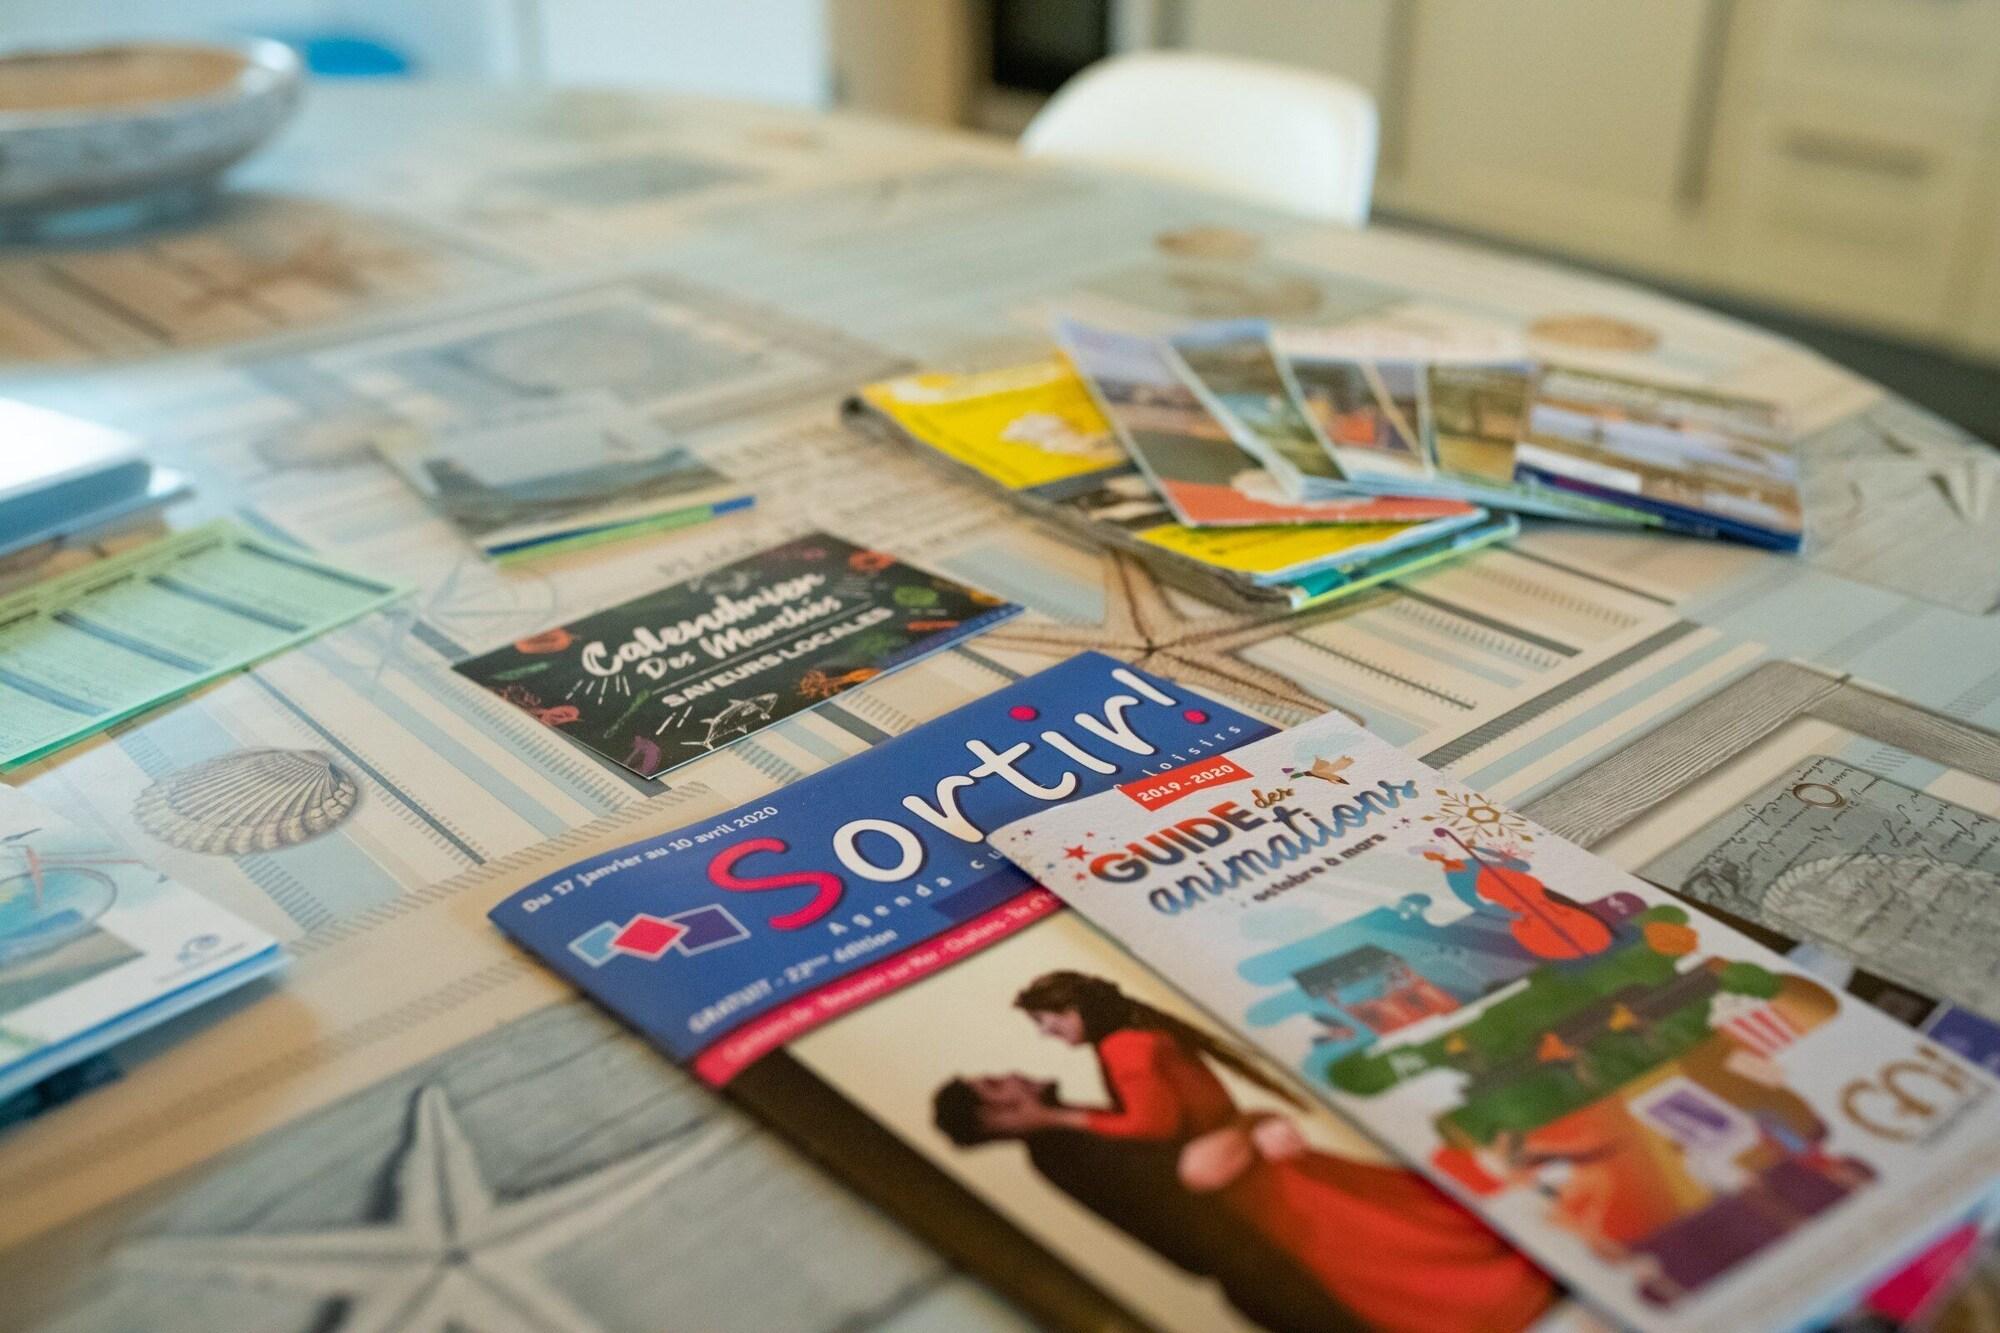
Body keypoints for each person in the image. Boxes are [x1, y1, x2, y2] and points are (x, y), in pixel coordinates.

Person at [983, 971, 1558, 1333]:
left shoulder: (1125, 1050)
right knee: (1396, 1240)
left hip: (1263, 1187)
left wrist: (1058, 1115)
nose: (1046, 1035)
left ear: (1072, 1011)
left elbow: (1154, 1128)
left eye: (1045, 1021)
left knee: (1386, 1258)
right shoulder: (1132, 1044)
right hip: (1258, 1174)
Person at [934, 1074, 1366, 1333]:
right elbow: (1197, 1170)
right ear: (994, 1118)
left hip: (1266, 1271)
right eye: (994, 1084)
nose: (1010, 1074)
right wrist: (1249, 1121)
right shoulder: (1065, 1148)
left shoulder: (1061, 1143)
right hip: (1272, 1273)